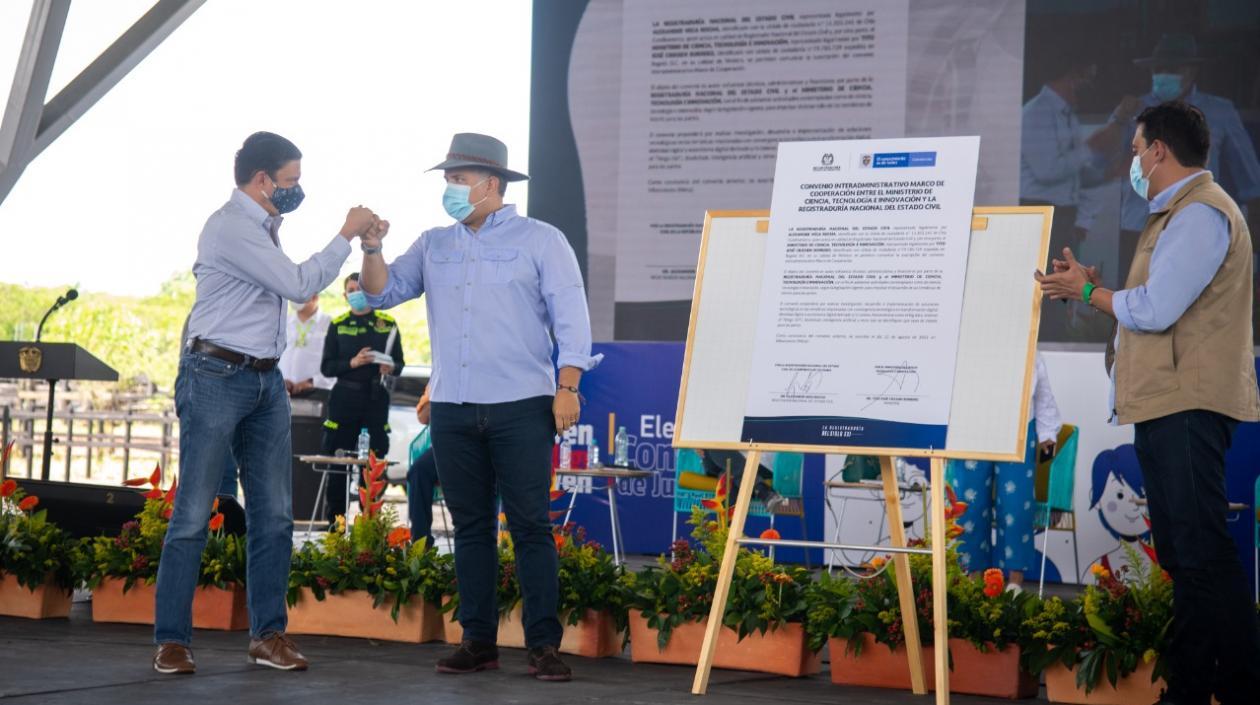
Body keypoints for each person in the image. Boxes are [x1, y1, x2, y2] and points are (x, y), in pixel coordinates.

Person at [1037, 101, 1260, 705]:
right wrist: (1094, 283)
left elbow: (1156, 310)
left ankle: (1237, 686)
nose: (1133, 161)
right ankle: (1191, 689)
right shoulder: (1175, 216)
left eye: (1136, 150)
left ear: (1159, 149)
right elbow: (1152, 301)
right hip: (1166, 405)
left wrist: (1086, 290)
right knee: (1190, 558)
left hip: (1187, 406)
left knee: (1203, 552)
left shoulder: (1201, 215)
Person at [359, 133, 600, 682]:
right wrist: (371, 248)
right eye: (446, 179)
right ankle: (478, 640)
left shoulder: (542, 240)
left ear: (491, 185)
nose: (449, 188)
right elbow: (381, 292)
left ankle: (543, 644)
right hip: (452, 407)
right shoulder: (433, 243)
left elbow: (572, 317)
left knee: (531, 526)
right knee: (469, 527)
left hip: (522, 405)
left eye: (458, 179)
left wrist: (569, 385)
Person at [153, 131, 381, 675]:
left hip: (262, 381)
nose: (295, 191)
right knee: (193, 513)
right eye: (290, 182)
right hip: (214, 374)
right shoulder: (231, 226)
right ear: (261, 181)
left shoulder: (264, 228)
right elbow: (299, 283)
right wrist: (346, 235)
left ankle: (268, 635)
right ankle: (171, 641)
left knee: (275, 514)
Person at [1117, 34, 1260, 287]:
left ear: (1191, 70)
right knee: (1133, 310)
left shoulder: (1219, 111)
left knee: (1194, 312)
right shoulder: (1133, 111)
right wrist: (1118, 120)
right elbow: (1100, 164)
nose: (1163, 74)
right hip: (1141, 225)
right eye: (1158, 69)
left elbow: (1250, 178)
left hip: (1196, 228)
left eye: (1171, 69)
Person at [1020, 61, 1141, 337]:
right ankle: (1044, 344)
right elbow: (1047, 170)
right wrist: (1090, 149)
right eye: (1087, 77)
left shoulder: (1065, 114)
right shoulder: (1037, 113)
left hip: (1063, 214)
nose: (1089, 86)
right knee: (1045, 290)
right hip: (1039, 213)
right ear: (1072, 76)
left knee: (1062, 290)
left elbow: (1074, 176)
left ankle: (1056, 337)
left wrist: (1110, 172)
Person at [945, 353, 1061, 588]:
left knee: (1016, 504)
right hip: (971, 425)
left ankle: (1014, 581)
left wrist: (1048, 431)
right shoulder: (965, 340)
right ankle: (973, 578)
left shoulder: (1027, 345)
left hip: (1017, 425)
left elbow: (1042, 394)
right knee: (969, 504)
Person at [319, 273, 404, 522]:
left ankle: (371, 527)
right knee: (337, 466)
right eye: (351, 290)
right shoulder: (338, 324)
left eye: (360, 288)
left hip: (376, 400)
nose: (356, 293)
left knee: (373, 468)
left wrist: (391, 367)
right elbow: (327, 367)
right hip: (344, 401)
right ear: (345, 295)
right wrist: (352, 362)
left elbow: (400, 364)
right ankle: (335, 527)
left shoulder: (387, 323)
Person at [695, 449, 788, 511]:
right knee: (715, 446)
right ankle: (761, 490)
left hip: (758, 462)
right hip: (719, 461)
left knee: (728, 481)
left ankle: (725, 537)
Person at [279, 293, 333, 397]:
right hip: (283, 390)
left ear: (315, 297)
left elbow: (335, 362)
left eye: (300, 294)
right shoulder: (284, 322)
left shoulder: (329, 323)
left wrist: (312, 382)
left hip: (316, 391)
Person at [407, 385, 439, 546]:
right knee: (418, 471)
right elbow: (422, 418)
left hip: (479, 443)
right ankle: (420, 542)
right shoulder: (437, 378)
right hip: (445, 444)